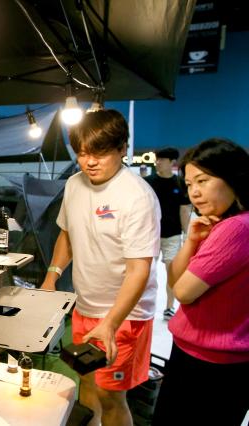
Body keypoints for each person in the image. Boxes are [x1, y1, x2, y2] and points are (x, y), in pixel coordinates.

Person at [41, 109, 161, 426]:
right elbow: (67, 234)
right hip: (85, 307)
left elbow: (140, 270)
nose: (89, 162)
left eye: (99, 153)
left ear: (122, 148)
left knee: (112, 397)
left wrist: (110, 323)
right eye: (81, 153)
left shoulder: (137, 197)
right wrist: (51, 277)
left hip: (125, 316)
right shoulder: (74, 185)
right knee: (87, 382)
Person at [152, 138, 249, 426]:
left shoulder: (235, 229)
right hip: (211, 357)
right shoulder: (227, 223)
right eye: (190, 184)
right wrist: (192, 239)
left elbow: (182, 291)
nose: (194, 192)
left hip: (211, 364)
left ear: (233, 177)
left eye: (203, 181)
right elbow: (174, 279)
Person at [144, 147, 192, 320]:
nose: (157, 162)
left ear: (172, 163)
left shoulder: (180, 183)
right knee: (146, 272)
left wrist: (187, 235)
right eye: (157, 159)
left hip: (172, 236)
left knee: (172, 271)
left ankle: (169, 307)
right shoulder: (148, 182)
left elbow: (185, 210)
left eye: (162, 160)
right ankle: (143, 305)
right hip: (151, 235)